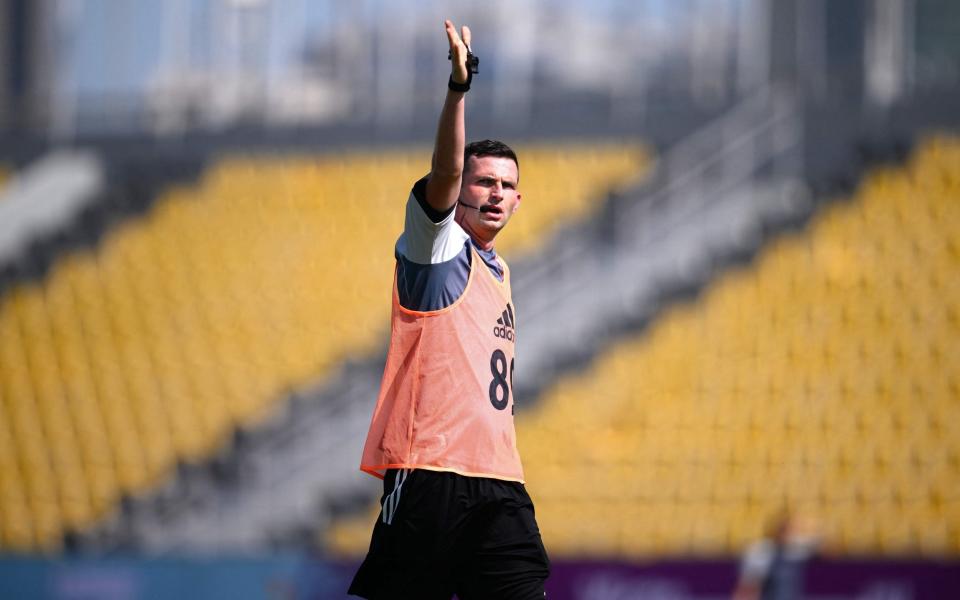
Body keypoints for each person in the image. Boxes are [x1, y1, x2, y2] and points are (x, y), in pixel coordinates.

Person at [347, 19, 550, 600]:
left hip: (500, 479)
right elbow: (443, 172)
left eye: (506, 186)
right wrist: (458, 90)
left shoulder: (500, 268)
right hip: (432, 471)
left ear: (519, 198)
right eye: (482, 181)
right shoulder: (436, 247)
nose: (494, 193)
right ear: (460, 191)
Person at [733, 511, 821, 600]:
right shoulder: (762, 552)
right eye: (789, 530)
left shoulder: (793, 550)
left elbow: (819, 543)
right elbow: (748, 586)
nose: (793, 535)